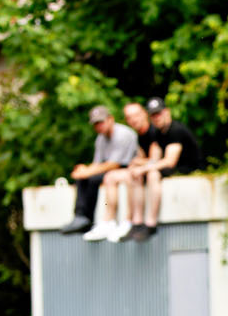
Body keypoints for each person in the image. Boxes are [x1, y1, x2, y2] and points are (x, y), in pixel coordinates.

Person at [118, 96, 204, 242]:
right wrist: (139, 166)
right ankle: (137, 222)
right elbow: (155, 159)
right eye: (153, 115)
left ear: (167, 112)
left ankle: (151, 223)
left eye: (158, 113)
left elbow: (170, 161)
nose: (156, 117)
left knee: (152, 174)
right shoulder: (158, 133)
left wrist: (143, 169)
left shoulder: (175, 130)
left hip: (188, 168)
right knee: (137, 174)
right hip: (173, 167)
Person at [62, 105, 138, 237]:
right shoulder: (100, 138)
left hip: (125, 168)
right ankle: (81, 217)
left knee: (92, 178)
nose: (99, 126)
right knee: (83, 178)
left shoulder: (123, 134)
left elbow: (114, 164)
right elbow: (97, 163)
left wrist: (88, 172)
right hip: (110, 169)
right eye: (96, 124)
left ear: (110, 119)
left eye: (101, 122)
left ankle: (102, 220)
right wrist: (84, 170)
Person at [95, 102, 156, 243]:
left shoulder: (154, 132)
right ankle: (109, 221)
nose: (133, 120)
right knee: (110, 177)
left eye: (136, 115)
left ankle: (131, 221)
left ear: (144, 114)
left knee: (131, 175)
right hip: (140, 170)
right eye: (129, 117)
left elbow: (155, 160)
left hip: (153, 171)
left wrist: (138, 163)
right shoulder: (136, 135)